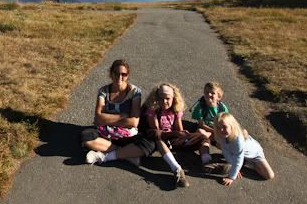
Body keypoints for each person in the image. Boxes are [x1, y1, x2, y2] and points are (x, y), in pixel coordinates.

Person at [81, 60, 189, 188]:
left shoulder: (135, 92)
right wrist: (124, 117)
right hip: (106, 132)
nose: (120, 77)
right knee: (86, 136)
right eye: (116, 73)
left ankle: (104, 156)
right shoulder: (103, 91)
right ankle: (128, 155)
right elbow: (98, 118)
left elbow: (134, 122)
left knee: (149, 143)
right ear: (111, 73)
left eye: (124, 74)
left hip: (128, 135)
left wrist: (108, 118)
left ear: (128, 75)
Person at [212, 112, 275, 186]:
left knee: (270, 175)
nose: (221, 130)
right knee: (221, 145)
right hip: (238, 152)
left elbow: (238, 158)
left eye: (225, 127)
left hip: (255, 155)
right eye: (218, 127)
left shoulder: (238, 140)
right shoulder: (222, 134)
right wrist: (233, 165)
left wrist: (232, 176)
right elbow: (225, 150)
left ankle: (249, 164)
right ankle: (243, 163)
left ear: (232, 126)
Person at [145, 83, 207, 151]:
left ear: (173, 98)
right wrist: (175, 134)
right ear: (157, 98)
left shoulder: (175, 109)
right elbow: (156, 132)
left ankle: (205, 155)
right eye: (161, 98)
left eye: (167, 98)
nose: (164, 101)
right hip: (161, 139)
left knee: (203, 137)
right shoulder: (153, 110)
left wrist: (182, 135)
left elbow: (179, 129)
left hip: (173, 137)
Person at [190, 81, 229, 164]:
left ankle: (230, 157)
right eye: (206, 92)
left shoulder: (222, 108)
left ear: (219, 96)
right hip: (207, 130)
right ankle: (205, 156)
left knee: (227, 139)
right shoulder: (201, 107)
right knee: (201, 133)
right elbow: (201, 125)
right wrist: (214, 131)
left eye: (212, 93)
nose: (209, 94)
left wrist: (219, 132)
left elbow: (227, 123)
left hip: (219, 131)